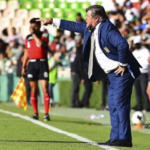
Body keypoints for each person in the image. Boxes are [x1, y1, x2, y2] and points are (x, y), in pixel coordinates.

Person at [37, 5, 141, 147]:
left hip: (123, 73)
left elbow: (123, 44)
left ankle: (125, 138)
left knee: (119, 104)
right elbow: (73, 25)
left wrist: (122, 64)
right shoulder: (92, 27)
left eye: (88, 17)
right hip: (112, 74)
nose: (85, 19)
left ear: (96, 19)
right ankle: (116, 137)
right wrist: (51, 20)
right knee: (112, 104)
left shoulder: (107, 28)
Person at [22, 18, 50, 121]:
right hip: (32, 64)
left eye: (35, 26)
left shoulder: (45, 34)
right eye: (31, 26)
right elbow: (26, 52)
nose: (33, 28)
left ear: (39, 26)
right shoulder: (27, 37)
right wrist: (23, 66)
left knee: (44, 88)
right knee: (33, 89)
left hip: (42, 63)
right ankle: (35, 113)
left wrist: (33, 34)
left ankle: (46, 114)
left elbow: (41, 44)